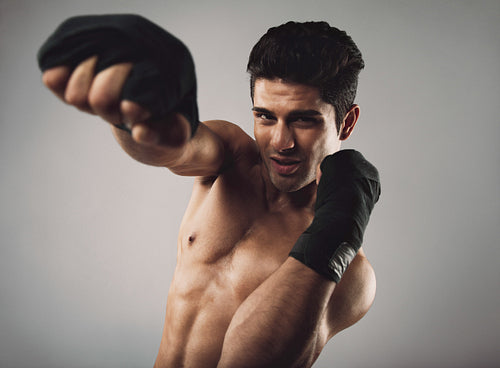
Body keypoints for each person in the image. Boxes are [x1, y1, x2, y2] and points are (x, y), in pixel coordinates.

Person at [38, 15, 380, 368]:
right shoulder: (231, 157)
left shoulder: (351, 274)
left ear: (347, 122)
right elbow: (176, 148)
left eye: (303, 120)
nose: (281, 142)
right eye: (265, 117)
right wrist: (135, 114)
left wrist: (331, 237)